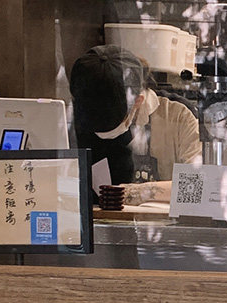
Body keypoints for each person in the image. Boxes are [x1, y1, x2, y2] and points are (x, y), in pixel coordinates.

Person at [69, 45, 201, 202]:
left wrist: (134, 192)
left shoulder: (178, 117)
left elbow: (198, 186)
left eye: (113, 120)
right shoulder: (72, 119)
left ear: (138, 101)